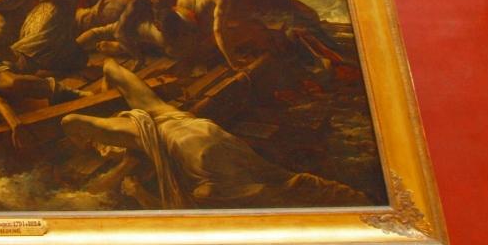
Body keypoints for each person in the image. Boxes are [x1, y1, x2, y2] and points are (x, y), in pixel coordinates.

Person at [62, 59, 365, 209]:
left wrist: (137, 191)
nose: (105, 149)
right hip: (195, 127)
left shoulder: (139, 133)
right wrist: (103, 96)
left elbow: (181, 216)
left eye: (103, 148)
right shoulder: (149, 119)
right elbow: (108, 71)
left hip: (196, 137)